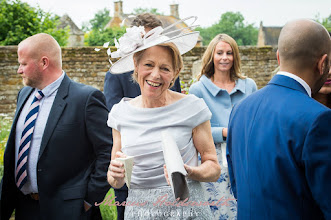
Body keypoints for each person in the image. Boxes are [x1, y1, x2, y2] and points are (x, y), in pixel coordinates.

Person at [106, 19, 221, 219]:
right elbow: (115, 180)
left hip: (188, 210)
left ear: (175, 73)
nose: (156, 75)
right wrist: (114, 176)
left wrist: (190, 171)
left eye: (165, 68)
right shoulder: (120, 113)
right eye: (148, 65)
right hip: (140, 211)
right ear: (136, 65)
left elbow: (213, 167)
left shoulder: (192, 107)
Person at [0, 33, 112, 220]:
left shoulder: (86, 98)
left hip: (69, 211)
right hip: (25, 208)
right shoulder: (24, 94)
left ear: (44, 63)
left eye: (23, 64)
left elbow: (107, 151)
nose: (19, 70)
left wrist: (88, 200)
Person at [227, 19, 331, 219]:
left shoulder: (239, 109)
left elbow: (237, 187)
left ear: (278, 58)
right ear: (323, 63)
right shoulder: (318, 118)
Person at [103, 14, 181, 219]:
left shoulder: (170, 74)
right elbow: (115, 117)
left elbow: (175, 107)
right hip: (132, 169)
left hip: (165, 169)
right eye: (146, 39)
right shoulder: (116, 74)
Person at [189, 33, 257, 219]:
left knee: (244, 204)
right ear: (212, 56)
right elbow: (192, 129)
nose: (225, 57)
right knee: (218, 209)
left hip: (244, 153)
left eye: (229, 52)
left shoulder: (249, 85)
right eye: (219, 53)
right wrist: (224, 132)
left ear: (235, 56)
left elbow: (256, 120)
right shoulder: (198, 89)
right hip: (212, 155)